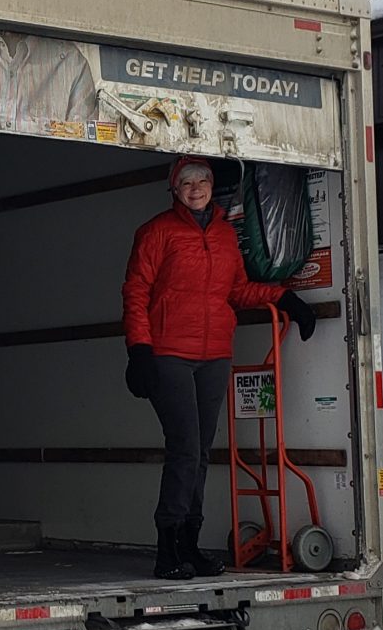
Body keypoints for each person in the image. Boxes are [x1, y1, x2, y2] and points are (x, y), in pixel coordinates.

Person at [121, 156, 316, 580]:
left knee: (201, 452)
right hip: (168, 352)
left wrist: (286, 299)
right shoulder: (157, 232)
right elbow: (136, 291)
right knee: (185, 448)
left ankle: (189, 545)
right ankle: (168, 548)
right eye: (187, 182)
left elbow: (238, 290)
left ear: (212, 187)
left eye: (203, 181)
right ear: (174, 189)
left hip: (214, 354)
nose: (196, 188)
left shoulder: (227, 236)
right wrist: (139, 349)